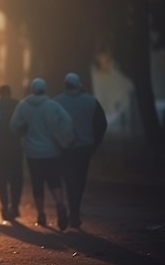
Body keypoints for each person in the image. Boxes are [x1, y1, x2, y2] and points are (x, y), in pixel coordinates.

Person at [10, 78, 74, 232]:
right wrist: (64, 138)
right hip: (52, 151)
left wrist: (23, 130)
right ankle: (60, 204)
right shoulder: (52, 105)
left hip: (33, 152)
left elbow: (13, 125)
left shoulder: (23, 105)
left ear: (32, 89)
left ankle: (41, 214)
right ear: (45, 89)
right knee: (54, 181)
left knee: (37, 184)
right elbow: (67, 121)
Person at [54, 72, 108, 228]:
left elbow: (51, 125)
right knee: (80, 179)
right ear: (79, 85)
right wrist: (95, 143)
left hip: (65, 148)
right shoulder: (91, 102)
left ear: (65, 85)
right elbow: (102, 124)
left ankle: (74, 213)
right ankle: (75, 212)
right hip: (85, 148)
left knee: (69, 180)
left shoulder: (56, 102)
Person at [0, 84, 24, 221]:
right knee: (16, 178)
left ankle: (5, 206)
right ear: (10, 92)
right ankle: (15, 206)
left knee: (1, 179)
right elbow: (23, 125)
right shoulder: (18, 105)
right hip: (15, 147)